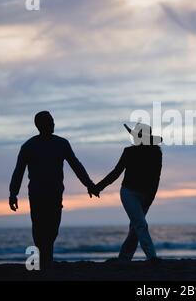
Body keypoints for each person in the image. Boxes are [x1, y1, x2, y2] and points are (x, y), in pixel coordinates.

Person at [9, 111, 99, 269]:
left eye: (52, 120)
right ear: (40, 125)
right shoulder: (28, 146)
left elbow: (76, 165)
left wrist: (89, 184)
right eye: (50, 121)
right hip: (37, 194)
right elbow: (19, 171)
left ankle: (45, 259)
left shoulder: (62, 143)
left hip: (55, 193)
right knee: (38, 228)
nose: (53, 123)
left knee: (52, 228)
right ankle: (45, 261)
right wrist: (13, 193)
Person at [92, 123, 162, 262]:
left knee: (135, 227)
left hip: (146, 194)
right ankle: (152, 257)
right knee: (141, 224)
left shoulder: (155, 153)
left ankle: (124, 258)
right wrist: (99, 187)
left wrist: (151, 198)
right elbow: (116, 172)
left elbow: (156, 177)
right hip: (128, 192)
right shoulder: (129, 152)